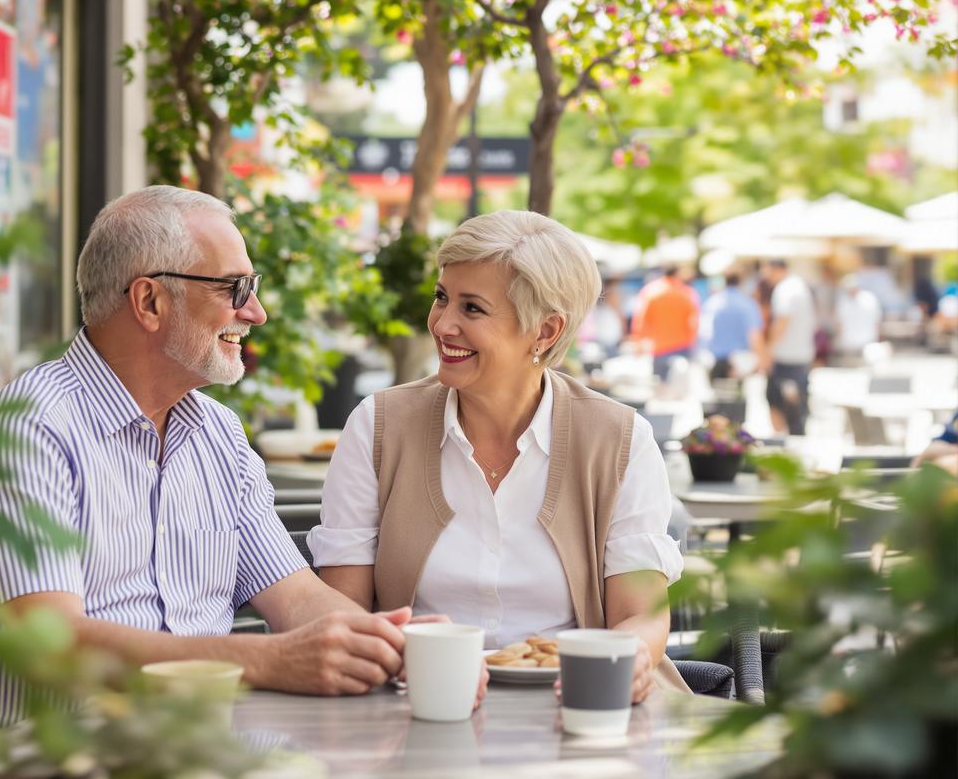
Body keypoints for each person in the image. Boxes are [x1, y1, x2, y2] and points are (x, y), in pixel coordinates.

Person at [0, 187, 478, 748]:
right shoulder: (29, 428)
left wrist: (393, 641)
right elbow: (53, 646)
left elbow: (297, 601)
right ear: (149, 302)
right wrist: (265, 660)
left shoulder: (218, 435)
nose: (256, 313)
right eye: (235, 288)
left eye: (253, 289)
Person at [309, 211, 690, 705]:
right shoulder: (378, 427)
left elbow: (640, 614)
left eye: (473, 309)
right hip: (420, 701)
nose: (443, 324)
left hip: (579, 702)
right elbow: (343, 609)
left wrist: (631, 657)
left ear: (545, 331)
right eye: (442, 297)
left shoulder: (620, 441)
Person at [759, 259, 816, 436]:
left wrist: (768, 352)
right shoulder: (800, 286)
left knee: (778, 400)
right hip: (801, 354)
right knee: (796, 406)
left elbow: (782, 321)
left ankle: (782, 440)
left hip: (785, 356)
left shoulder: (785, 290)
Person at [630, 266, 700, 382]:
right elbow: (693, 321)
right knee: (679, 387)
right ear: (677, 274)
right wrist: (692, 342)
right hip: (682, 346)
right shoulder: (686, 292)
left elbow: (640, 320)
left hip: (659, 347)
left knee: (660, 386)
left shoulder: (650, 291)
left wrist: (638, 343)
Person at [700, 271, 764, 381]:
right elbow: (755, 334)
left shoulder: (713, 303)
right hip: (741, 360)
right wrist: (761, 358)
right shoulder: (748, 304)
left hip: (716, 358)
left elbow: (704, 332)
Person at [834, 275, 882, 363]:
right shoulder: (844, 301)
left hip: (867, 341)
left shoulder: (869, 299)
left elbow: (877, 321)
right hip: (849, 343)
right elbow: (839, 323)